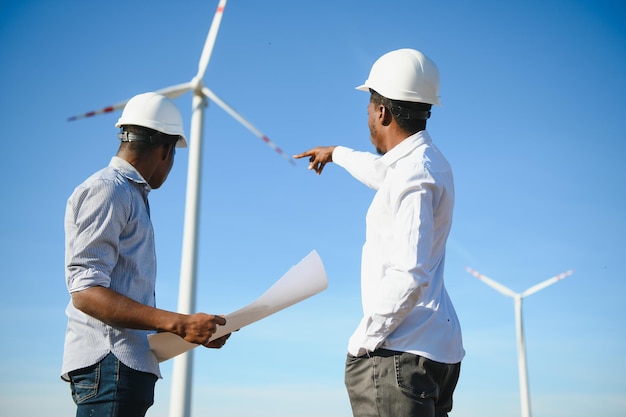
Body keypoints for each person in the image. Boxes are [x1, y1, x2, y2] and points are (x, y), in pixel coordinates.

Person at [294, 49, 465, 417]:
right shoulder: (428, 162)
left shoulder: (414, 175)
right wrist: (336, 153)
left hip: (398, 350)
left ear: (382, 112)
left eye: (369, 108)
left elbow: (410, 272)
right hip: (434, 349)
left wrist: (364, 340)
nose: (368, 116)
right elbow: (382, 173)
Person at [62, 92, 230, 417]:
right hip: (110, 366)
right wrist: (178, 323)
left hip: (122, 370)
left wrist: (192, 330)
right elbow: (85, 291)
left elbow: (121, 297)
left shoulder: (129, 194)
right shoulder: (109, 189)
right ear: (166, 149)